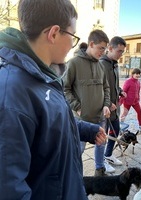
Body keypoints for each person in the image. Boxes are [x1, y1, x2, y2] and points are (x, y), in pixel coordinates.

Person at [0, 0, 107, 199]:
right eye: (73, 36)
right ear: (54, 33)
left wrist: (85, 130)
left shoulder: (43, 75)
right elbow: (9, 188)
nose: (73, 44)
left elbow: (50, 122)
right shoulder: (12, 93)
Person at [62, 29, 112, 176]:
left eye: (105, 48)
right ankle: (75, 177)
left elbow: (106, 87)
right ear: (91, 44)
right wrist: (76, 107)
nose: (103, 52)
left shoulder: (101, 65)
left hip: (100, 118)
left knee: (101, 144)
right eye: (101, 48)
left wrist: (106, 105)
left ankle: (99, 169)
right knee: (78, 150)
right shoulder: (73, 63)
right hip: (81, 120)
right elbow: (64, 89)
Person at [99, 36, 127, 170]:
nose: (121, 54)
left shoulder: (114, 64)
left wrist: (120, 91)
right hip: (105, 108)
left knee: (115, 130)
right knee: (102, 135)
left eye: (123, 52)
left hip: (115, 107)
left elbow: (113, 84)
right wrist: (108, 103)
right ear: (110, 48)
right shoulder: (101, 64)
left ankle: (108, 154)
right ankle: (100, 162)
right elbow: (99, 87)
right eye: (119, 51)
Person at [120, 68, 141, 133]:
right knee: (124, 114)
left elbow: (138, 92)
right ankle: (120, 127)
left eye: (139, 74)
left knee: (139, 111)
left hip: (135, 102)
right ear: (133, 74)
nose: (138, 75)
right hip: (127, 101)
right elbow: (123, 92)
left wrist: (138, 98)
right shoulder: (128, 81)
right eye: (136, 74)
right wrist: (120, 102)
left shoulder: (138, 82)